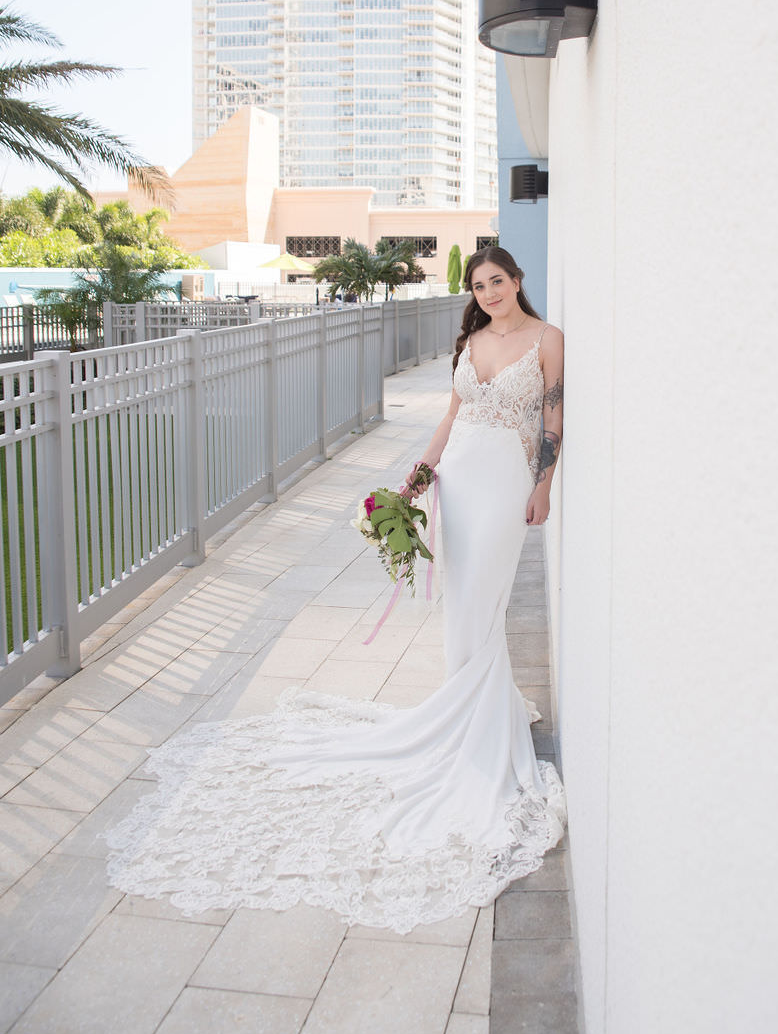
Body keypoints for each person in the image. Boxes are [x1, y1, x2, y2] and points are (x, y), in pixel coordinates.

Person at [103, 247, 567, 933]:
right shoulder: (470, 339)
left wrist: (542, 486)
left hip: (504, 481)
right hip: (459, 476)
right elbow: (449, 417)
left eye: (498, 281)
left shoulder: (548, 340)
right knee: (458, 603)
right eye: (479, 285)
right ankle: (470, 716)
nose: (490, 292)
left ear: (518, 280)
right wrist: (419, 473)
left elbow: (552, 421)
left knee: (484, 601)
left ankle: (475, 729)